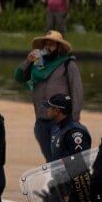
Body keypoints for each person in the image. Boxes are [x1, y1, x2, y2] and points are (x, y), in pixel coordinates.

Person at [14, 31, 84, 161]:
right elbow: (19, 77)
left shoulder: (68, 64)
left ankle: (64, 181)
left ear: (59, 47)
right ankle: (55, 181)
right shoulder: (37, 64)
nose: (47, 46)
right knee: (50, 160)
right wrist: (28, 61)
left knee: (63, 159)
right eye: (45, 43)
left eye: (51, 44)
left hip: (61, 122)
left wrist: (73, 119)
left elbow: (77, 91)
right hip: (41, 121)